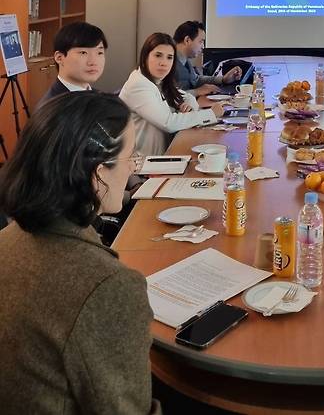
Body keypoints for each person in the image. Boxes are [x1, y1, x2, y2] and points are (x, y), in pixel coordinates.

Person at [0, 91, 160, 414]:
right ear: (99, 172)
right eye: (131, 158)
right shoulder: (109, 288)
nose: (131, 169)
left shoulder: (6, 239)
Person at [120, 32, 227, 155]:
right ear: (145, 57)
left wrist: (189, 106)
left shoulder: (158, 81)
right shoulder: (138, 85)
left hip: (164, 155)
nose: (163, 62)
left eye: (169, 57)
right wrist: (211, 114)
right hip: (142, 166)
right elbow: (169, 123)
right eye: (158, 55)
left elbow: (187, 97)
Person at [37, 21, 107, 106]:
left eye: (99, 53)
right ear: (59, 58)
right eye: (83, 53)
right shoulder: (54, 108)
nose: (93, 62)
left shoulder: (99, 97)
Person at [173, 20, 241, 96]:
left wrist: (223, 79)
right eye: (201, 41)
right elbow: (169, 96)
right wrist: (197, 91)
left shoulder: (184, 60)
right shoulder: (170, 62)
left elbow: (196, 80)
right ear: (187, 40)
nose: (203, 46)